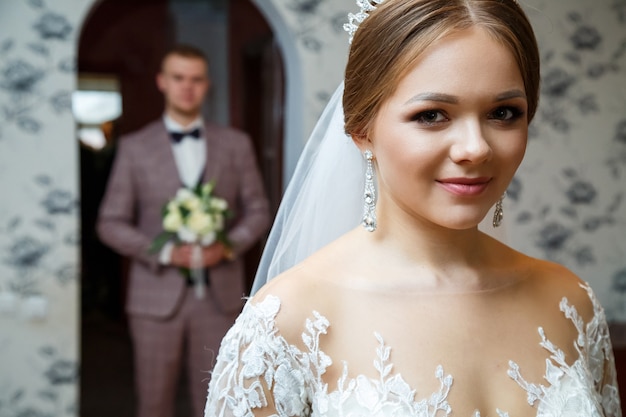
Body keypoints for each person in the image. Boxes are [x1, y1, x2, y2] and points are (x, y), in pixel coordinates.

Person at [205, 1, 621, 416]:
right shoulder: (289, 322)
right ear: (362, 131)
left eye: (503, 113)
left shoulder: (572, 302)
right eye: (432, 115)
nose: (475, 148)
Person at [97, 44, 270, 417]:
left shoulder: (236, 145)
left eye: (196, 79)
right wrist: (163, 251)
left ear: (207, 86)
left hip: (220, 298)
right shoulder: (134, 148)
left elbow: (258, 211)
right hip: (154, 301)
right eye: (178, 78)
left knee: (219, 401)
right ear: (162, 82)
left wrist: (226, 247)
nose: (187, 87)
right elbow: (110, 223)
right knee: (153, 402)